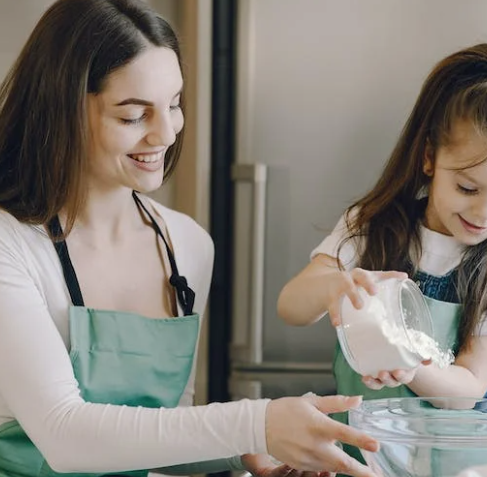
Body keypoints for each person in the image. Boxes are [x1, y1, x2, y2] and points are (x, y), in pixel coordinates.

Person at [0, 1, 381, 476]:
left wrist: (247, 452)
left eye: (174, 104)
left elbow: (159, 433)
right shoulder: (10, 244)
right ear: (63, 110)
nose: (166, 133)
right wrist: (255, 423)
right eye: (133, 115)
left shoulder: (186, 246)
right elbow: (64, 434)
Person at [277, 43, 487, 465]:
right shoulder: (372, 227)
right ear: (430, 157)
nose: (485, 212)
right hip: (360, 458)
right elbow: (291, 308)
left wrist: (408, 365)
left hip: (457, 468)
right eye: (468, 188)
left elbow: (466, 393)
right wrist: (332, 288)